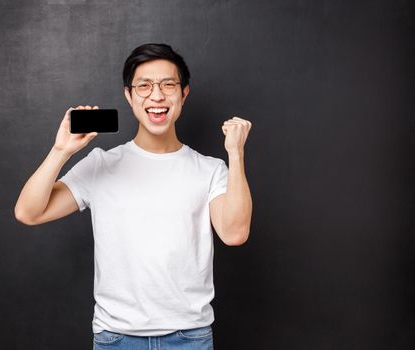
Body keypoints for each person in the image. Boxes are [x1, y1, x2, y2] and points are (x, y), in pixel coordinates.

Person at [14, 43, 253, 350]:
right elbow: (28, 212)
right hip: (116, 338)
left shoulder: (210, 169)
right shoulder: (101, 164)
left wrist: (236, 153)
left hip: (189, 337)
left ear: (184, 94)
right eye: (144, 86)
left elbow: (234, 233)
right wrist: (61, 150)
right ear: (129, 95)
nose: (156, 96)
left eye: (168, 85)